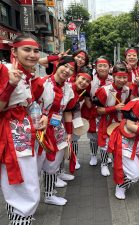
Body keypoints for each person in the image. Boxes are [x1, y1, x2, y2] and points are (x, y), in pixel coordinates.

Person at [0, 34, 47, 224]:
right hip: (11, 133)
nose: (33, 55)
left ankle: (19, 217)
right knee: (21, 182)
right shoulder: (4, 70)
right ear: (14, 51)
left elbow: (27, 103)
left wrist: (41, 116)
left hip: (25, 130)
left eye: (35, 50)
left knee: (28, 179)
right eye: (26, 50)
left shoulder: (29, 75)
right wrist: (10, 84)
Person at [32, 56, 78, 206]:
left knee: (53, 165)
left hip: (57, 130)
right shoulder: (41, 83)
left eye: (72, 69)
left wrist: (69, 132)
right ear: (58, 65)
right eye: (66, 66)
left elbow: (67, 112)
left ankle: (49, 194)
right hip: (38, 131)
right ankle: (30, 199)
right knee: (35, 167)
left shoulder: (69, 89)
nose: (67, 71)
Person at [94, 62, 131, 177]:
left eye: (124, 77)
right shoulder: (104, 90)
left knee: (117, 143)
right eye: (119, 77)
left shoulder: (127, 90)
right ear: (113, 76)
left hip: (119, 121)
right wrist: (114, 108)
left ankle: (116, 161)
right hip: (105, 120)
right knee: (105, 144)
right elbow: (98, 110)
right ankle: (104, 163)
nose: (122, 80)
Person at [81, 56, 113, 166]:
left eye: (105, 66)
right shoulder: (91, 79)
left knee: (107, 135)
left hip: (108, 111)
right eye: (100, 66)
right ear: (96, 67)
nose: (102, 68)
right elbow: (86, 93)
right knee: (93, 136)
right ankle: (93, 155)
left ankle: (106, 156)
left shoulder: (113, 79)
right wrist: (88, 103)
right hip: (94, 111)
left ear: (109, 67)